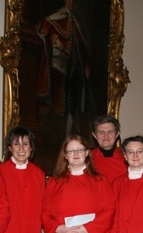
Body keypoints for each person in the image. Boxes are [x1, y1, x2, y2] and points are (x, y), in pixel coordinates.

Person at [36, 0, 96, 138]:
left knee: (77, 101)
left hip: (77, 69)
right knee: (62, 99)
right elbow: (46, 28)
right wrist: (55, 39)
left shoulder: (77, 22)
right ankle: (62, 134)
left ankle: (75, 131)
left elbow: (83, 48)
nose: (72, 3)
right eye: (69, 0)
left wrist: (86, 66)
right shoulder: (57, 17)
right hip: (62, 69)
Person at [90, 114, 127, 182]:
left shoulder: (127, 157)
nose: (106, 136)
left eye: (110, 132)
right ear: (94, 135)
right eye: (101, 132)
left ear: (117, 134)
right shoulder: (87, 158)